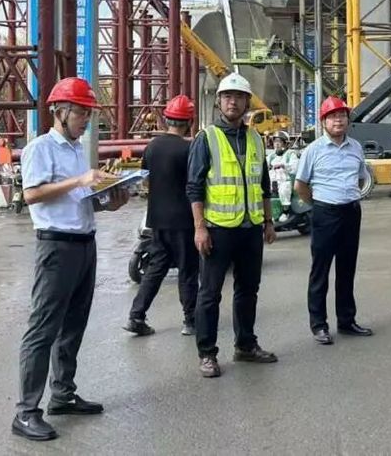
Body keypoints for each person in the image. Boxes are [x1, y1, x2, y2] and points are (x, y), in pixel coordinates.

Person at [13, 77, 129, 442]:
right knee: (43, 328)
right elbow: (32, 195)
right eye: (81, 113)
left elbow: (78, 200)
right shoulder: (40, 149)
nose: (86, 120)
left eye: (88, 114)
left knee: (74, 324)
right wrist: (80, 180)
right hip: (56, 247)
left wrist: (110, 201)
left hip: (84, 244)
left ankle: (62, 394)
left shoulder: (78, 150)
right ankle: (26, 412)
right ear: (59, 111)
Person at [186, 72, 277, 378]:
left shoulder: (255, 138)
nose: (233, 102)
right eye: (227, 97)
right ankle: (207, 354)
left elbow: (263, 184)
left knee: (248, 289)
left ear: (247, 103)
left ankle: (246, 345)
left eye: (238, 97)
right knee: (210, 293)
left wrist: (268, 222)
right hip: (218, 228)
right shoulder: (207, 138)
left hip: (250, 228)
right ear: (219, 102)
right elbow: (194, 187)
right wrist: (199, 227)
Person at [294, 96, 373, 345]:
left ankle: (347, 321)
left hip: (351, 212)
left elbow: (361, 178)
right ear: (324, 121)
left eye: (342, 116)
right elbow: (300, 185)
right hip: (325, 213)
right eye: (332, 116)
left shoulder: (356, 147)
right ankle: (319, 325)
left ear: (348, 120)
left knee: (347, 269)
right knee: (321, 270)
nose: (338, 120)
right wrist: (319, 204)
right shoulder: (314, 150)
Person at [124, 94, 199, 338]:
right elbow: (196, 184)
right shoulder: (189, 149)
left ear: (166, 119)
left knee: (156, 268)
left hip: (157, 219)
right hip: (184, 220)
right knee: (188, 270)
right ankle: (190, 320)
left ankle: (136, 316)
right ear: (189, 122)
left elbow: (145, 179)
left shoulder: (152, 146)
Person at [267, 131, 299, 220]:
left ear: (285, 143)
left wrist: (283, 166)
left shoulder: (290, 154)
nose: (276, 144)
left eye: (279, 141)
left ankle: (286, 211)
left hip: (286, 180)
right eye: (275, 141)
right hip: (273, 181)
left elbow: (295, 167)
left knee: (284, 190)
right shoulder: (271, 156)